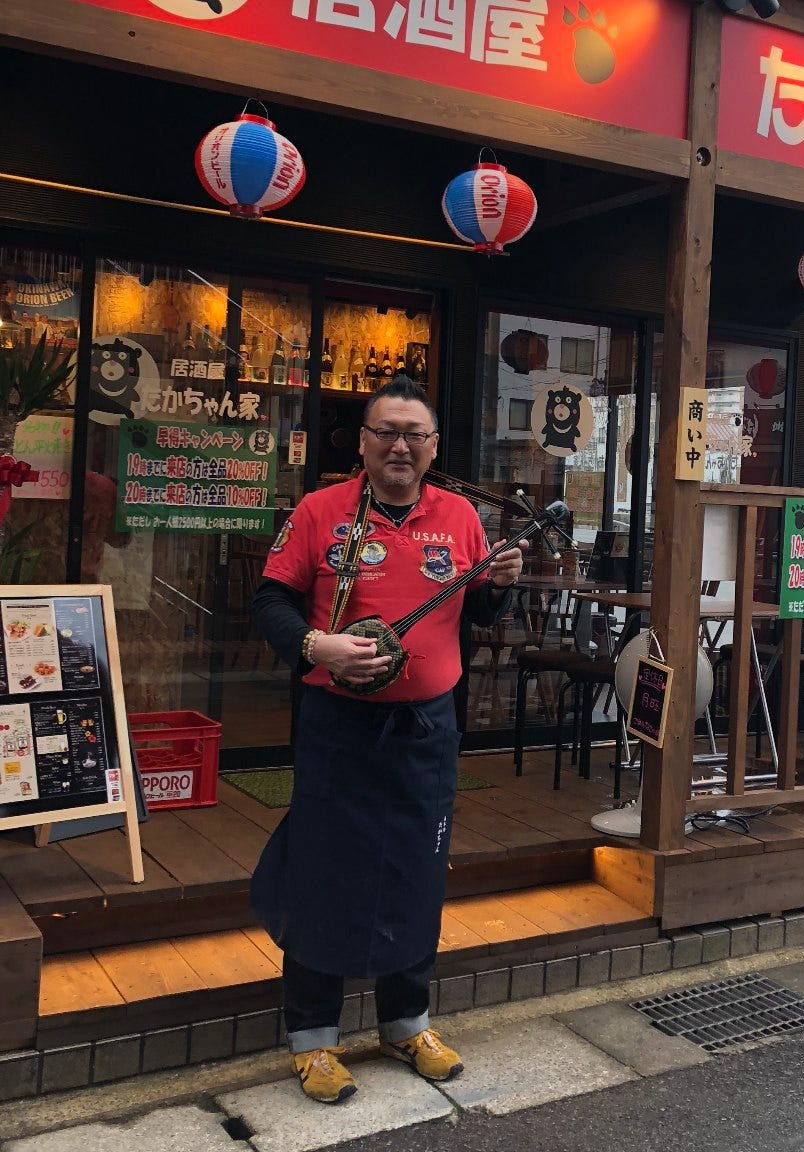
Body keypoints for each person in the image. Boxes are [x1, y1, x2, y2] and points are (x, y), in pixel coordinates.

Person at [249, 374, 525, 1105]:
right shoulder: (319, 512)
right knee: (324, 870)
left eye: (415, 435)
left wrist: (498, 584)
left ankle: (406, 1021)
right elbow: (270, 599)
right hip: (337, 727)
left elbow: (470, 616)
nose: (400, 445)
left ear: (433, 449)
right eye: (386, 432)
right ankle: (313, 1037)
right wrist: (316, 646)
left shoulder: (461, 516)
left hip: (427, 727)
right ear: (364, 441)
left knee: (417, 868)